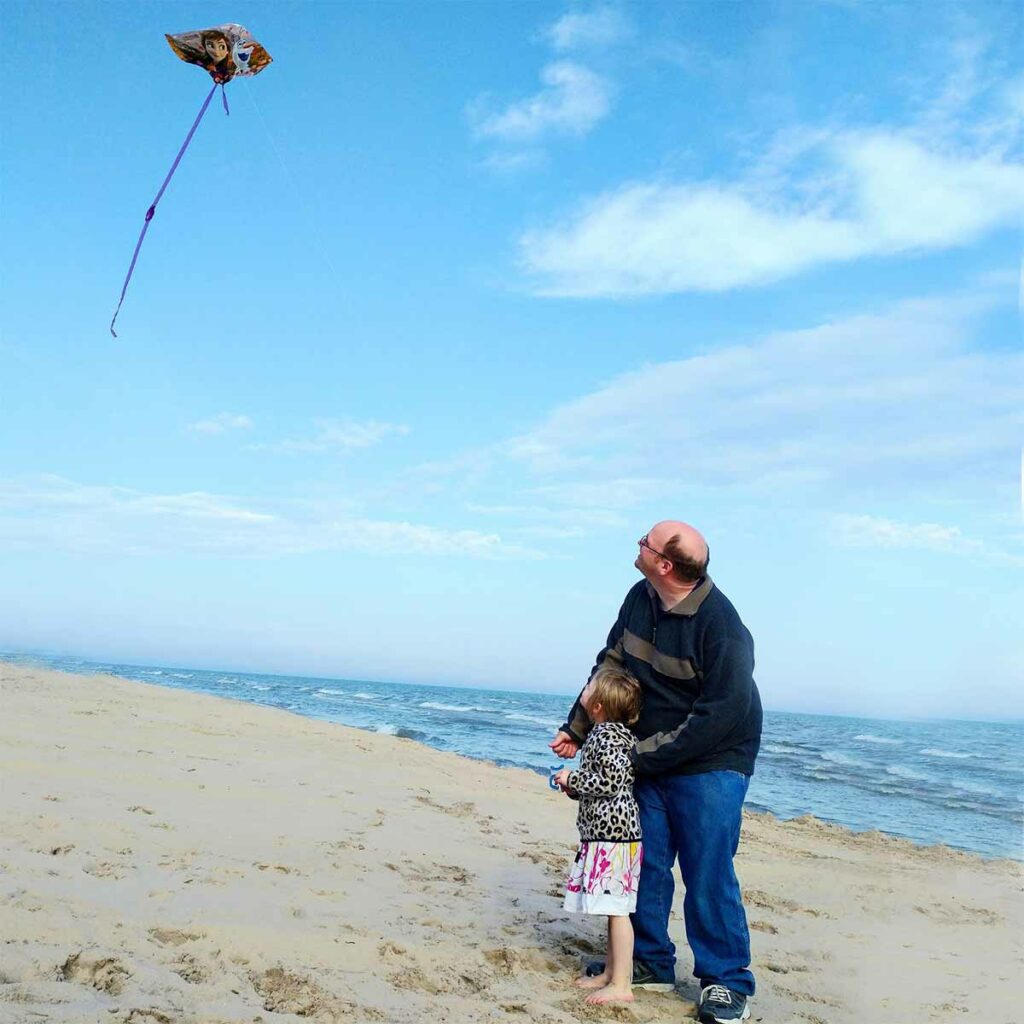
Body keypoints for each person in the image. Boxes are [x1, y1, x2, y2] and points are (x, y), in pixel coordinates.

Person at [550, 521, 762, 1024]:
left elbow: (718, 717)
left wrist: (636, 759)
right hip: (646, 748)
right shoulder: (640, 598)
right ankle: (648, 961)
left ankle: (726, 981)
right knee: (643, 860)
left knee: (707, 867)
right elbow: (612, 664)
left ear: (665, 564)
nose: (638, 542)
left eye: (645, 540)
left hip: (713, 758)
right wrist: (577, 728)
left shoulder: (722, 627)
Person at [552, 665, 644, 1006]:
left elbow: (610, 782)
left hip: (615, 839)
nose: (584, 689)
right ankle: (610, 972)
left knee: (618, 910)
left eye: (589, 687)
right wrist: (576, 788)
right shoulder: (606, 735)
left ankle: (622, 984)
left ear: (598, 707)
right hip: (607, 835)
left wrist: (571, 780)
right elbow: (602, 783)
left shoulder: (606, 736)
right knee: (611, 907)